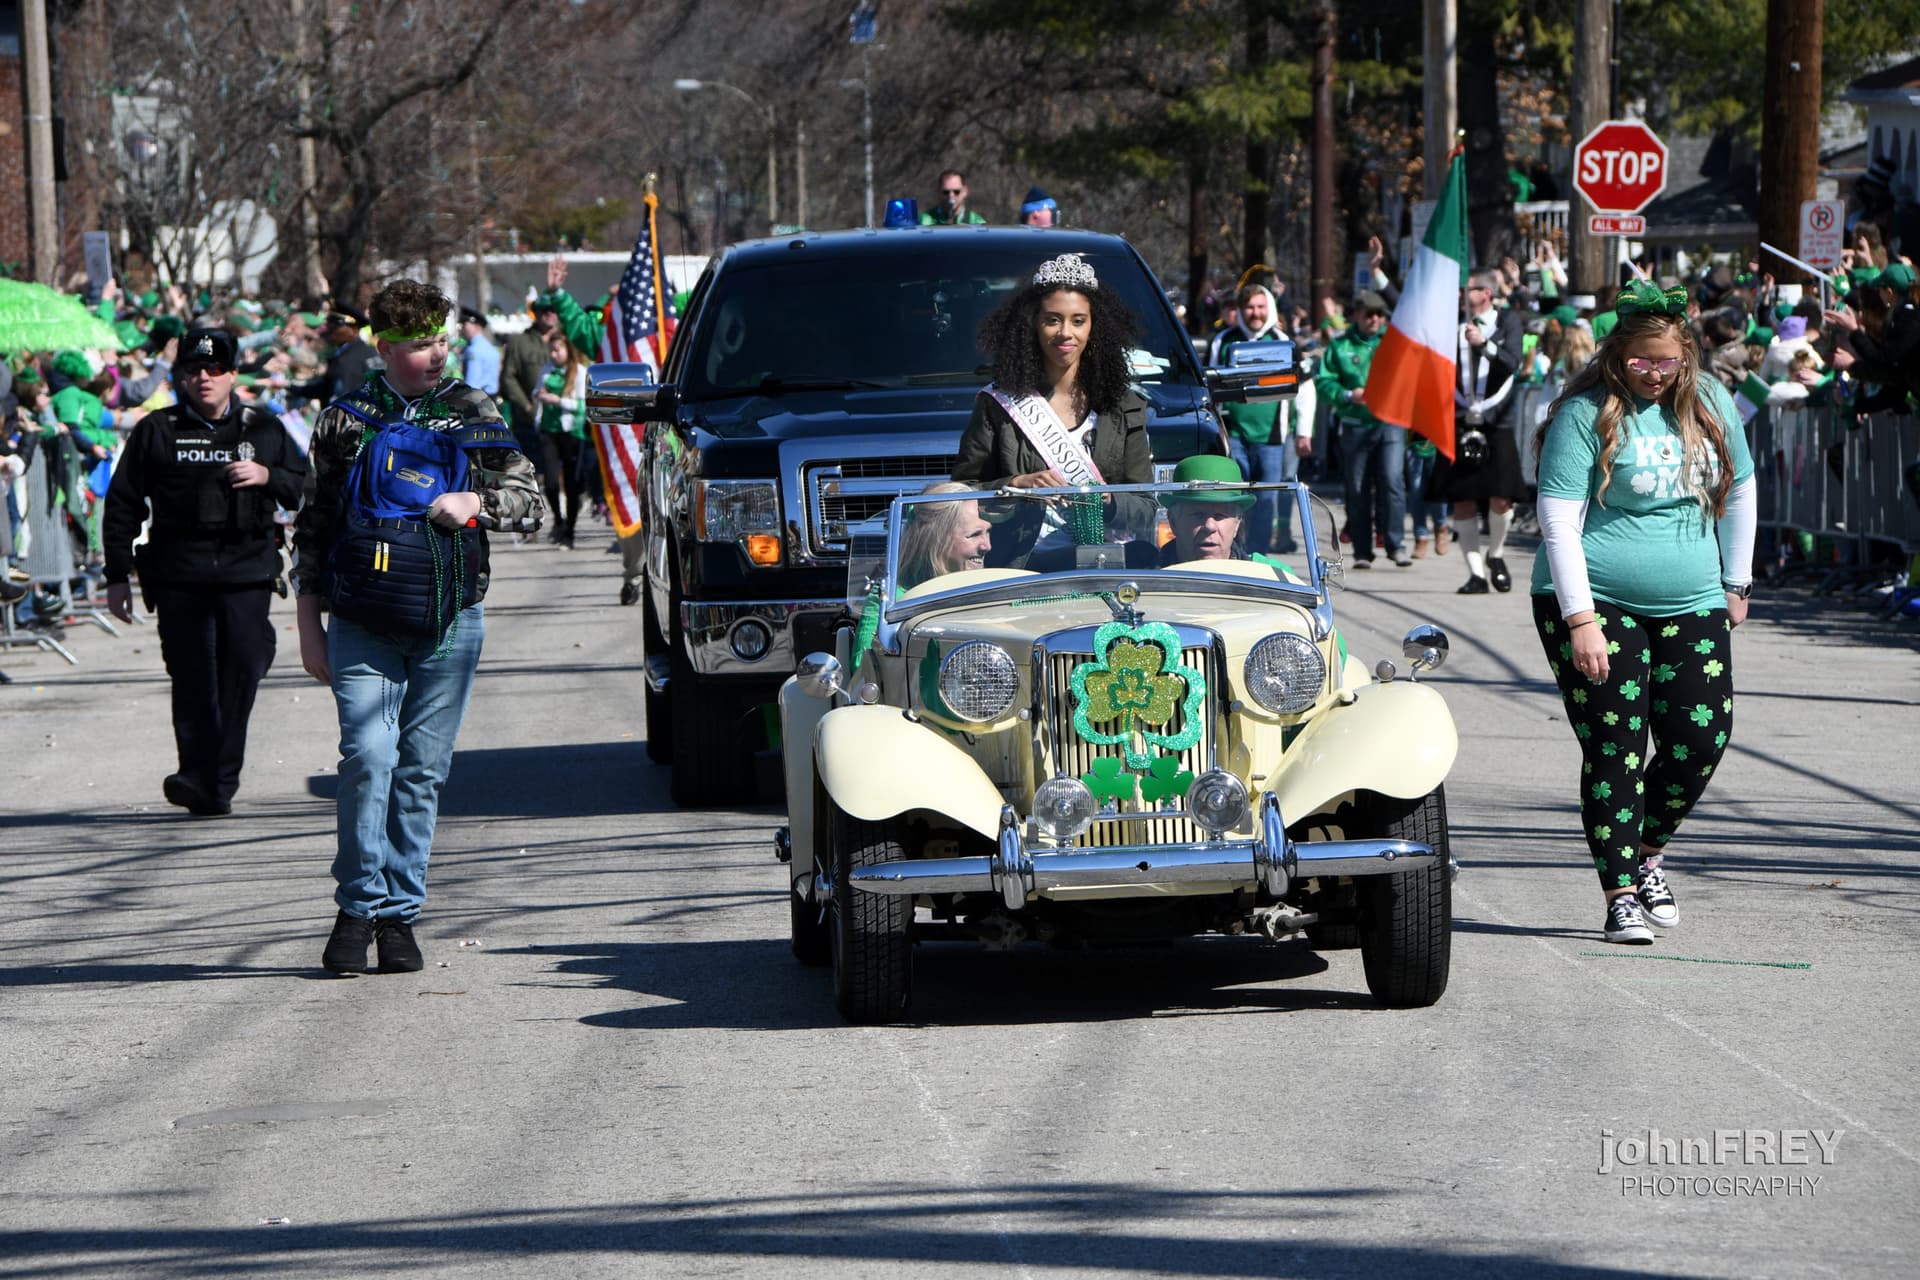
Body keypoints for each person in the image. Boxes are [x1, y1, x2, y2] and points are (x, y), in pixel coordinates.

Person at [293, 279, 544, 977]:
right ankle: (356, 906)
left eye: (442, 340)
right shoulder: (347, 417)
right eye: (421, 344)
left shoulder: (471, 409)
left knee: (421, 772)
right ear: (384, 347)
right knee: (368, 758)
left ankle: (400, 916)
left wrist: (476, 497)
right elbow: (313, 527)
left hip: (451, 618)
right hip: (361, 619)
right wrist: (307, 625)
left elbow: (533, 502)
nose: (437, 354)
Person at [1529, 279, 1755, 945]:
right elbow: (1559, 520)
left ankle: (1646, 852)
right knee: (1616, 745)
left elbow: (1739, 486)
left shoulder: (1711, 403)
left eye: (1667, 363)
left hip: (1693, 600)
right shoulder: (1585, 413)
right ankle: (1620, 891)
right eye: (1640, 363)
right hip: (1598, 601)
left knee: (1700, 737)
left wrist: (1736, 581)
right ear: (1615, 356)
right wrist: (1580, 620)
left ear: (1688, 355)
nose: (1654, 376)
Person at [100, 328, 308, 817]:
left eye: (214, 369)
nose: (203, 378)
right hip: (180, 575)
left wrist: (267, 476)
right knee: (192, 678)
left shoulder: (263, 428)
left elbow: (306, 489)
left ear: (233, 374)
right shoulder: (157, 430)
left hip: (247, 572)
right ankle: (200, 778)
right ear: (180, 378)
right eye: (193, 370)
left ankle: (217, 776)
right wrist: (115, 575)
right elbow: (123, 505)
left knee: (242, 670)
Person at [952, 251, 1155, 563]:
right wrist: (1016, 485)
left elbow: (1145, 507)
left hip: (1104, 563)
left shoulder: (1123, 407)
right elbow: (964, 494)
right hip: (1024, 564)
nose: (1065, 333)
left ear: (1093, 328)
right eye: (1052, 320)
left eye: (1078, 321)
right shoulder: (998, 405)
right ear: (1033, 325)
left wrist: (1110, 500)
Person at [1430, 271, 1530, 592]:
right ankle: (1475, 574)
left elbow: (1512, 362)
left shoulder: (1508, 321)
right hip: (1459, 421)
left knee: (1501, 498)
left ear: (1486, 292)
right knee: (1463, 500)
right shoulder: (1451, 323)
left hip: (1496, 422)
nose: (1462, 293)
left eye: (1468, 288)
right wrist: (1378, 276)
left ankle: (1496, 554)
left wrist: (1484, 344)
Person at [1209, 281, 1313, 554]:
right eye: (1249, 307)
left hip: (1271, 437)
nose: (1254, 313)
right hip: (1233, 435)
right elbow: (1206, 382)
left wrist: (1304, 431)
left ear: (1269, 308)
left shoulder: (1283, 342)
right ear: (1241, 310)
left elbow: (1306, 387)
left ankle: (1258, 554)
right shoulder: (1223, 340)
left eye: (1260, 307)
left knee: (1266, 499)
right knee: (1236, 495)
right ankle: (1236, 550)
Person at [1314, 290, 1405, 567]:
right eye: (1369, 314)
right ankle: (1363, 552)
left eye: (1379, 314)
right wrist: (1346, 395)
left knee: (1392, 480)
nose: (1374, 319)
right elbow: (1324, 382)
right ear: (1356, 316)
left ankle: (1394, 543)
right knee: (1357, 487)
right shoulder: (1340, 346)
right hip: (1355, 424)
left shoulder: (1394, 342)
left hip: (1389, 423)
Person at [534, 327, 590, 547]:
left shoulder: (580, 372)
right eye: (551, 350)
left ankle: (571, 529)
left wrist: (558, 401)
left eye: (557, 350)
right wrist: (539, 396)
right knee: (550, 481)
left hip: (572, 433)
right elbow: (537, 391)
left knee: (573, 483)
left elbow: (583, 405)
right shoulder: (547, 369)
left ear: (568, 349)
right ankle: (558, 519)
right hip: (550, 430)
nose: (553, 355)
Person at [898, 481, 991, 590]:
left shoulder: (995, 591)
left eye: (988, 532)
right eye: (975, 534)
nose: (987, 546)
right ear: (936, 539)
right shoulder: (890, 601)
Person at [919, 169, 988, 226]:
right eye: (946, 192)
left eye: (956, 191)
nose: (951, 195)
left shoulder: (976, 222)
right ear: (938, 192)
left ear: (965, 192)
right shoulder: (924, 221)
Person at [459, 307, 501, 398]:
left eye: (464, 325)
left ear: (477, 326)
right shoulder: (490, 348)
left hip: (478, 400)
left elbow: (471, 385)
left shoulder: (473, 350)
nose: (461, 329)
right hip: (490, 397)